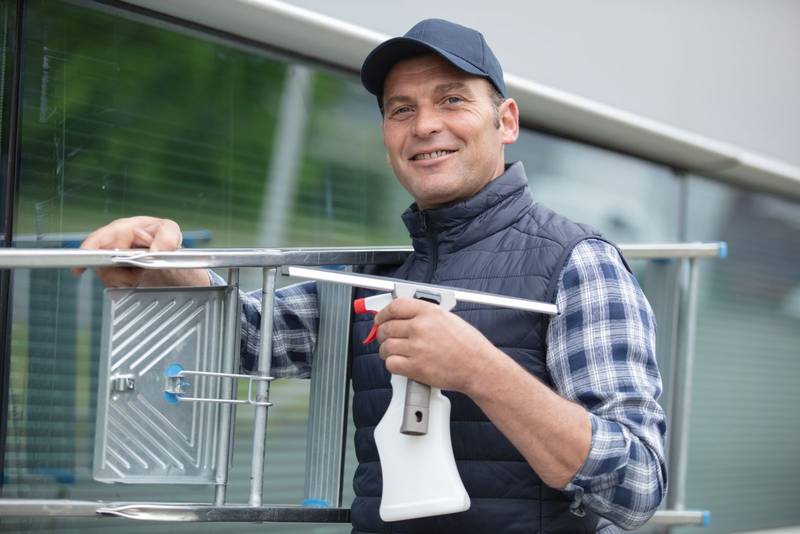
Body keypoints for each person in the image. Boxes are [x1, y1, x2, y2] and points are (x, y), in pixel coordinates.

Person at [78, 19, 666, 534]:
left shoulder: (577, 262)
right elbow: (249, 340)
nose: (425, 125)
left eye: (452, 100)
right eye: (401, 109)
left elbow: (637, 487)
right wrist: (164, 274)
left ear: (505, 121)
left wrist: (482, 371)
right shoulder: (378, 278)